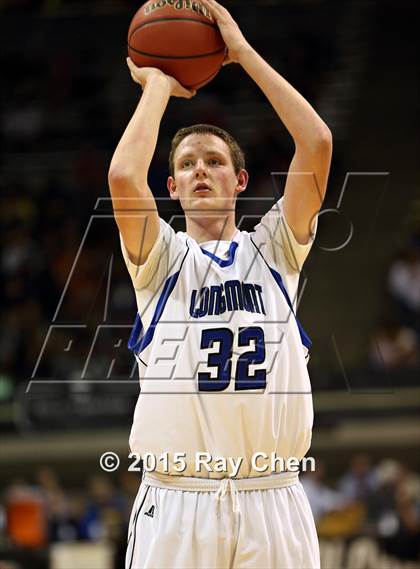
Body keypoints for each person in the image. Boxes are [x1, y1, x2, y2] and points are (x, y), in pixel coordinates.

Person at [108, 1, 332, 567]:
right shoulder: (159, 258)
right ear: (174, 186)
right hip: (178, 500)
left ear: (241, 180)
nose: (200, 170)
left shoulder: (275, 249)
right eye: (187, 164)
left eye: (213, 160)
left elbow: (318, 144)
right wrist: (159, 84)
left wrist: (241, 53)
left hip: (272, 497)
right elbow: (122, 176)